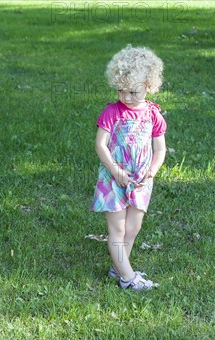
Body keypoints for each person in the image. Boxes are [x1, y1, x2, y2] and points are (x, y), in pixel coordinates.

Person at [90, 45, 167, 290]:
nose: (127, 97)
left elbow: (160, 149)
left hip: (141, 178)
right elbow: (100, 145)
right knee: (118, 227)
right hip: (114, 177)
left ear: (149, 86)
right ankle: (127, 277)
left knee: (133, 227)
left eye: (133, 91)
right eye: (121, 90)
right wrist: (115, 171)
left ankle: (119, 266)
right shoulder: (112, 112)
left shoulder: (152, 114)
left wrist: (151, 171)